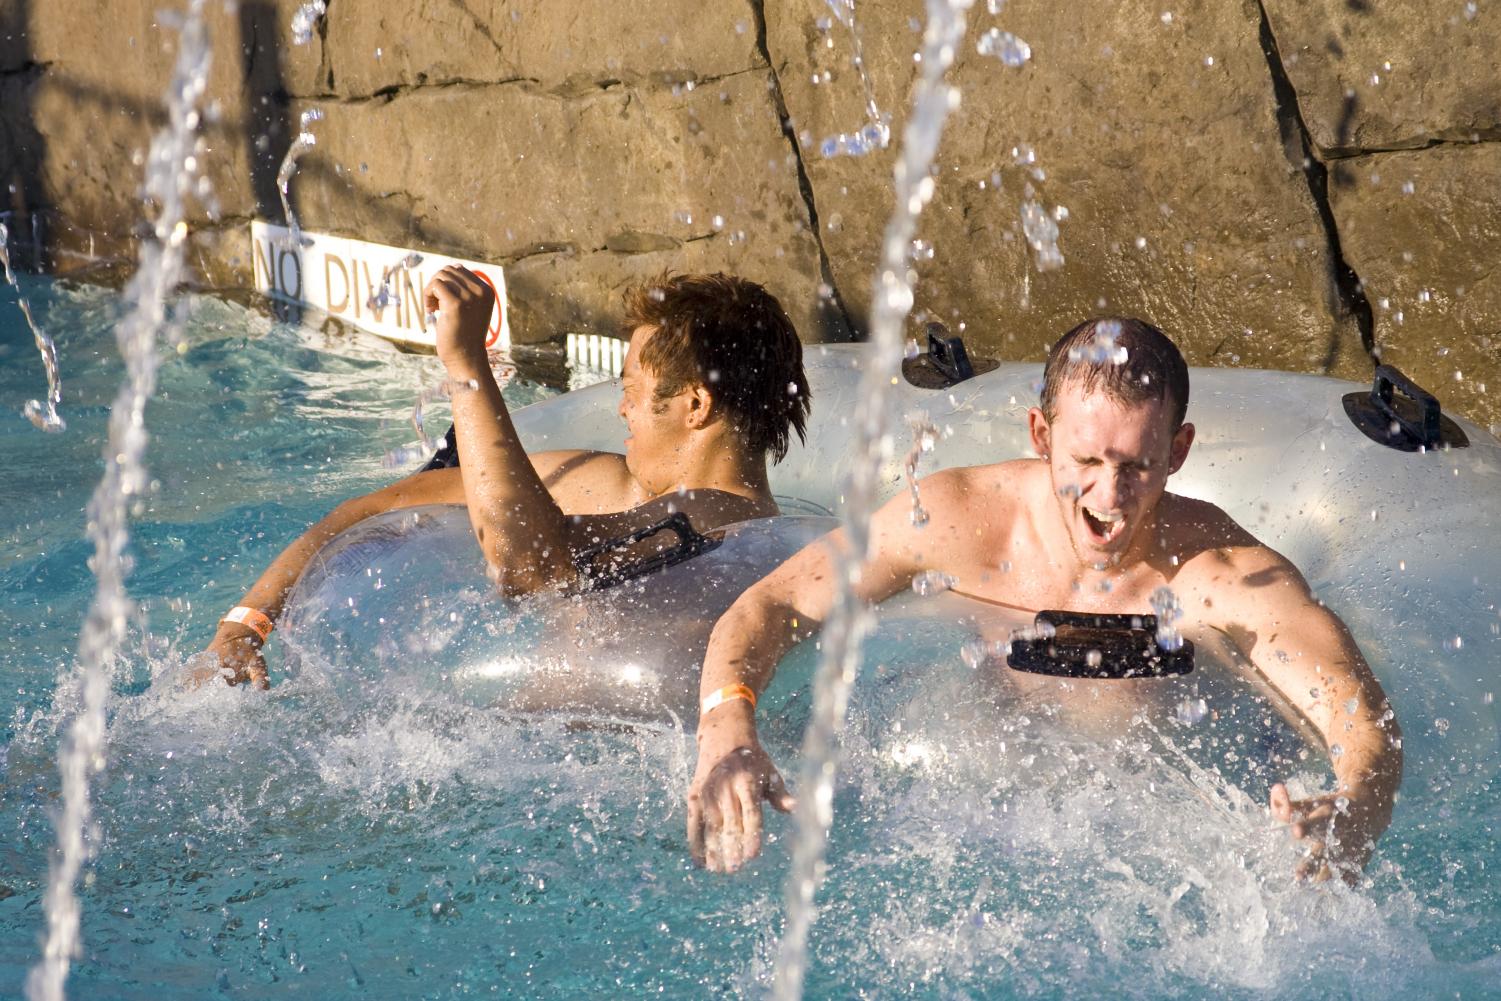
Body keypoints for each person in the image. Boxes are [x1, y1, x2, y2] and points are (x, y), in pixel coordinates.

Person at [686, 317, 1403, 883]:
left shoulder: (1219, 573)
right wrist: (726, 724)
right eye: (1085, 461)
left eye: (1137, 465)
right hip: (947, 808)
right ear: (1040, 434)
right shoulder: (953, 518)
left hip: (1143, 830)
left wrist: (1358, 804)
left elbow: (1354, 708)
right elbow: (770, 604)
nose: (1109, 498)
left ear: (1178, 451)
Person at [201, 267, 811, 688]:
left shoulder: (726, 531)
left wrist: (467, 366)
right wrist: (244, 626)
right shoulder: (600, 479)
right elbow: (372, 508)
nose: (621, 408)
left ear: (695, 406)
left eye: (632, 391)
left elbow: (531, 570)